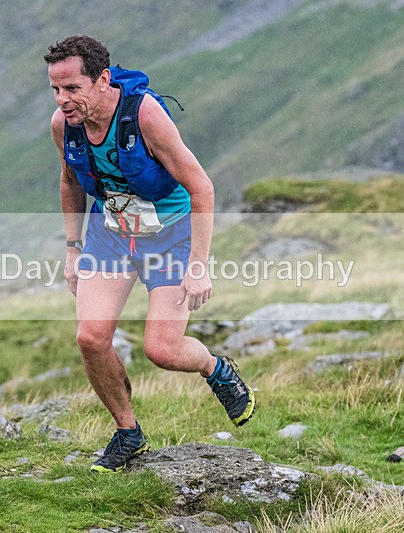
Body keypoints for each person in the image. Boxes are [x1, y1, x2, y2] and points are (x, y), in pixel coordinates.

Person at [45, 35, 256, 473]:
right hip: (113, 233)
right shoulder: (63, 125)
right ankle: (128, 433)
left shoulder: (145, 116)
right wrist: (72, 249)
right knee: (90, 337)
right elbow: (69, 182)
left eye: (72, 89)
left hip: (171, 235)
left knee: (162, 349)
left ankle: (216, 369)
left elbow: (202, 188)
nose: (62, 100)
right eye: (55, 89)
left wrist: (199, 264)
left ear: (102, 80)